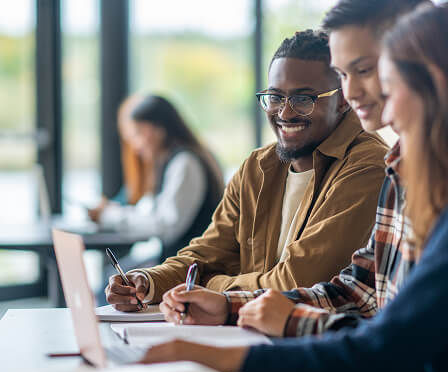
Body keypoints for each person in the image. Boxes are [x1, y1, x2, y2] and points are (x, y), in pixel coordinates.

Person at [141, 2, 448, 372]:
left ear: (435, 84)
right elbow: (363, 289)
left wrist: (225, 356)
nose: (375, 105)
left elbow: (387, 349)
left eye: (381, 81)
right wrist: (233, 306)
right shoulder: (423, 177)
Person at [160, 0, 431, 336]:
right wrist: (229, 305)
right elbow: (357, 293)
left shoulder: (416, 172)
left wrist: (226, 298)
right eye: (345, 75)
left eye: (365, 70)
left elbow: (398, 340)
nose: (354, 92)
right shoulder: (401, 168)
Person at [106, 30, 390, 311]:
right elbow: (205, 255)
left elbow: (296, 283)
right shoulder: (258, 167)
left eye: (304, 99)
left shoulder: (366, 166)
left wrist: (210, 286)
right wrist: (147, 281)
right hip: (249, 331)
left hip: (317, 343)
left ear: (341, 99)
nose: (285, 112)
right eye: (276, 97)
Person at [87, 94, 225, 261]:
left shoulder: (185, 163)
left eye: (138, 134)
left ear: (158, 130)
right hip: (179, 263)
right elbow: (151, 212)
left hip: (189, 268)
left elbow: (167, 225)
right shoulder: (169, 163)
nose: (135, 146)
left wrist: (109, 216)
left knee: (113, 281)